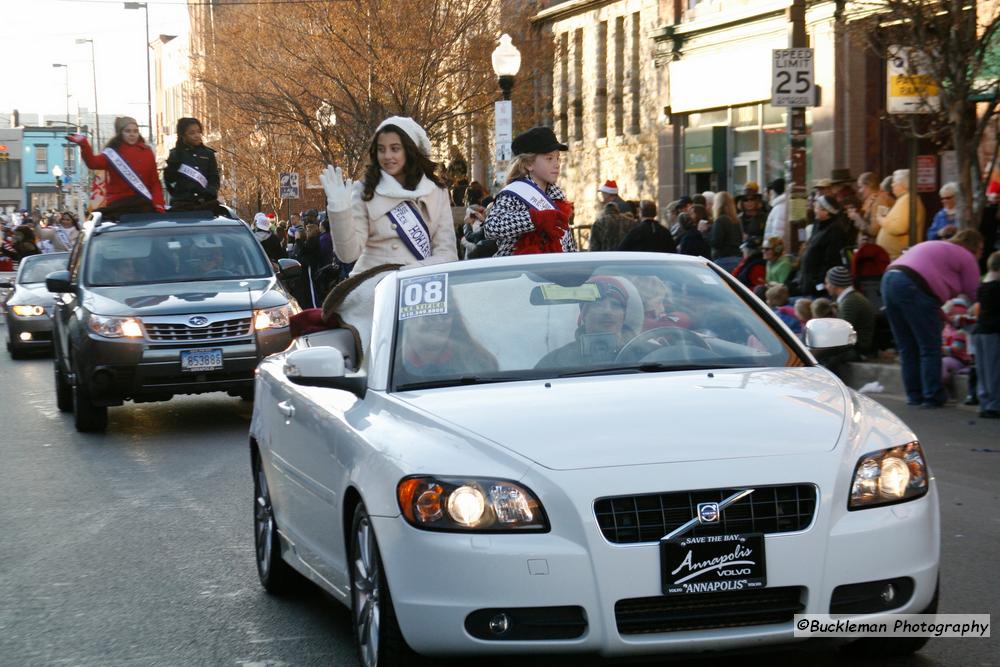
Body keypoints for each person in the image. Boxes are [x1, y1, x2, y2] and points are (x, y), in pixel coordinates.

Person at [320, 116, 458, 275]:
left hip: (422, 284)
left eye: (395, 148)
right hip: (372, 286)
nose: (387, 156)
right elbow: (348, 255)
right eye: (381, 149)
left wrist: (414, 272)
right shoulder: (364, 189)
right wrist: (340, 210)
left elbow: (447, 254)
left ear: (410, 150)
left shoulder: (436, 192)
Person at [881, 230, 983, 407]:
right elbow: (975, 293)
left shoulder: (936, 247)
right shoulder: (966, 256)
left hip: (890, 281)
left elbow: (928, 294)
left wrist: (942, 314)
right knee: (929, 346)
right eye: (981, 249)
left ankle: (914, 395)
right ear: (975, 247)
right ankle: (932, 395)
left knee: (907, 346)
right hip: (914, 287)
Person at [483, 126, 576, 256]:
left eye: (558, 158)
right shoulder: (513, 193)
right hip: (515, 271)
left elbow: (568, 247)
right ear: (528, 164)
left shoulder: (558, 198)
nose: (557, 164)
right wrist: (534, 219)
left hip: (552, 271)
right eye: (549, 158)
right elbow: (491, 228)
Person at [67, 116, 165, 215]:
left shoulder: (147, 151)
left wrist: (159, 204)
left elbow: (154, 182)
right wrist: (84, 144)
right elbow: (93, 163)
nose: (132, 134)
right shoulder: (112, 153)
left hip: (143, 202)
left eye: (135, 131)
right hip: (119, 203)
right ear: (120, 133)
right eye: (128, 131)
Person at [536, 277, 636, 367]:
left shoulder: (646, 354)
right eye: (598, 305)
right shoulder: (554, 362)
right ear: (584, 315)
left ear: (624, 315)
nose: (607, 311)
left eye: (615, 305)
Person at [398, 306, 498, 381]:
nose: (439, 321)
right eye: (429, 315)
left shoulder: (480, 363)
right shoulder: (387, 371)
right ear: (406, 320)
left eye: (445, 314)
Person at [796, 195, 849, 297]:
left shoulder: (835, 231)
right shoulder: (818, 224)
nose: (814, 210)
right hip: (807, 279)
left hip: (818, 286)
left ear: (826, 212)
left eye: (817, 207)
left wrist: (818, 284)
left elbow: (830, 261)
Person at [164, 117, 220, 211]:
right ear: (183, 135)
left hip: (206, 203)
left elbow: (214, 178)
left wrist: (211, 191)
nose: (197, 135)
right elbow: (169, 180)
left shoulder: (208, 154)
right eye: (192, 133)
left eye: (198, 132)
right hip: (182, 204)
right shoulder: (175, 154)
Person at [824, 266, 876, 359]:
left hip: (856, 349)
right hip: (855, 347)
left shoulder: (850, 302)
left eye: (827, 283)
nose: (826, 286)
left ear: (834, 284)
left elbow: (842, 333)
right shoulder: (851, 298)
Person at [876, 169, 926, 259]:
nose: (892, 185)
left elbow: (898, 228)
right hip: (895, 256)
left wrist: (881, 219)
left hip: (899, 257)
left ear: (903, 184)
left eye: (894, 182)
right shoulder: (904, 199)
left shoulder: (907, 200)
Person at [973, 250, 1000, 418]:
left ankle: (985, 402)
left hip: (981, 331)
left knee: (984, 370)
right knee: (994, 370)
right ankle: (995, 404)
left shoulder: (982, 285)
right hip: (993, 332)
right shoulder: (996, 287)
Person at [709, 191, 742, 260]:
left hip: (723, 258)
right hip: (737, 257)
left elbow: (716, 243)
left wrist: (705, 233)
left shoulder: (720, 220)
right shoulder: (736, 221)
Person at [762, 178, 788, 242]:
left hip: (774, 248)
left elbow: (777, 233)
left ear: (773, 191)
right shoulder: (780, 206)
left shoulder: (779, 208)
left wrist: (773, 249)